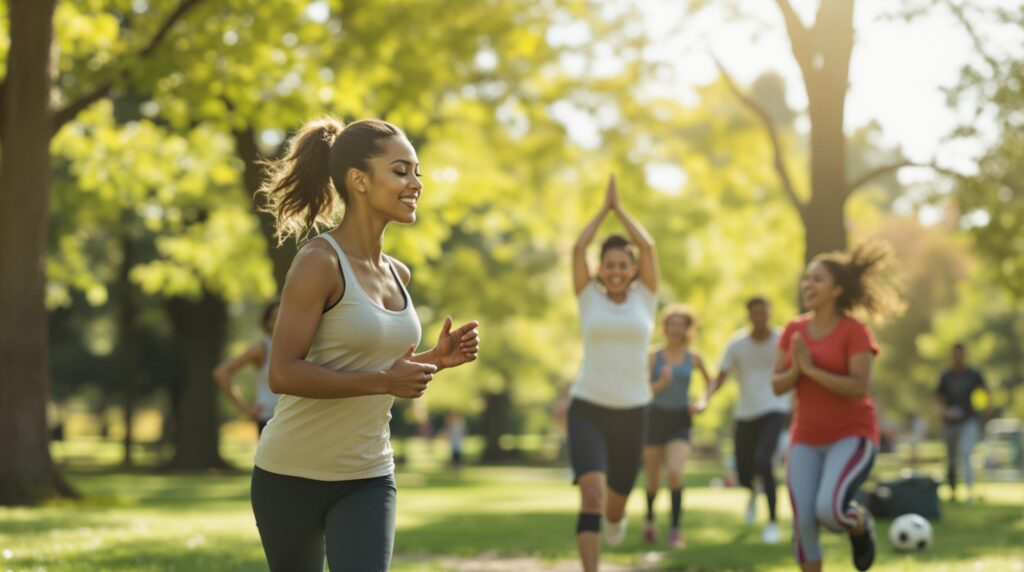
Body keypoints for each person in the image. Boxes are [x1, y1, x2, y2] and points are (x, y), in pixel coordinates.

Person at [249, 117, 480, 572]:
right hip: (290, 474)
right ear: (359, 180)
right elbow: (283, 372)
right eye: (400, 170)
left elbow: (383, 369)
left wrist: (434, 360)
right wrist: (383, 382)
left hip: (368, 473)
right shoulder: (319, 262)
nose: (416, 183)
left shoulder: (399, 273)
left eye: (417, 171)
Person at [772, 242, 899, 572]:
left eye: (818, 279)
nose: (808, 285)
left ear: (837, 289)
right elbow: (776, 385)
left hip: (852, 436)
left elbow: (858, 387)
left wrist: (812, 370)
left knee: (829, 512)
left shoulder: (854, 331)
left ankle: (860, 524)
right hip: (805, 438)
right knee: (804, 523)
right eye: (807, 278)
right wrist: (798, 369)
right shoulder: (794, 330)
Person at [568, 173, 658, 572]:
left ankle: (617, 520)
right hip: (588, 406)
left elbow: (648, 245)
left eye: (624, 265)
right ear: (600, 270)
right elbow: (578, 247)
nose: (617, 270)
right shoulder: (588, 296)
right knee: (592, 497)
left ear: (633, 269)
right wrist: (602, 211)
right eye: (610, 265)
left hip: (633, 410)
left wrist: (620, 211)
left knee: (616, 506)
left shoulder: (647, 297)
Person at [708, 296, 789, 544]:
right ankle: (752, 492)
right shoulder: (737, 345)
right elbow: (720, 376)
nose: (760, 318)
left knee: (764, 460)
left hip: (775, 408)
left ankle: (773, 522)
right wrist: (705, 399)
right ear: (749, 316)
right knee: (744, 471)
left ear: (769, 313)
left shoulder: (782, 340)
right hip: (745, 413)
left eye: (764, 313)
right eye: (755, 314)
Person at [643, 305, 713, 548]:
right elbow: (641, 391)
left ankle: (675, 529)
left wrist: (703, 401)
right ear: (665, 328)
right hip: (655, 419)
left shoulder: (694, 357)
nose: (676, 329)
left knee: (674, 472)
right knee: (653, 480)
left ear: (687, 329)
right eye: (671, 324)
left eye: (681, 325)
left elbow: (710, 382)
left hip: (681, 419)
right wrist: (660, 384)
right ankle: (650, 520)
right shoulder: (653, 356)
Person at [212, 300, 281, 436]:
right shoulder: (261, 348)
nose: (279, 321)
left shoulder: (300, 346)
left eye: (283, 316)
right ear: (267, 322)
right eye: (274, 318)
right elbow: (221, 373)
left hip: (295, 418)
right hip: (268, 419)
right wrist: (245, 409)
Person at [935, 342, 991, 502]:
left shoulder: (973, 374)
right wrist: (945, 412)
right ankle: (953, 491)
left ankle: (969, 492)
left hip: (969, 420)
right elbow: (938, 400)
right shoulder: (946, 376)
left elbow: (986, 390)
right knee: (951, 457)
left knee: (966, 453)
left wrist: (986, 406)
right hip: (949, 423)